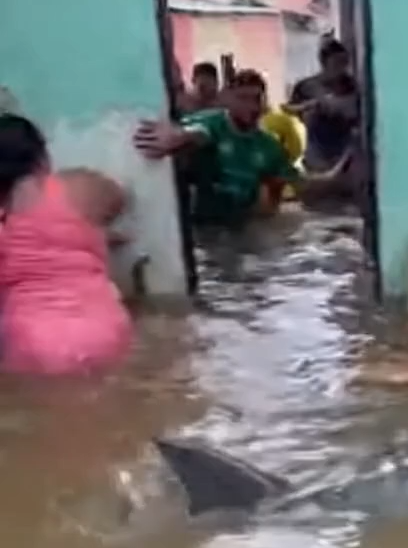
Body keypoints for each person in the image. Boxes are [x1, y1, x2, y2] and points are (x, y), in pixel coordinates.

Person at [0, 114, 133, 375]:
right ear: (42, 157)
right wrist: (92, 233)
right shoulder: (77, 187)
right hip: (104, 329)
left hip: (30, 340)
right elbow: (118, 198)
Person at [133, 68, 348, 225]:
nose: (250, 106)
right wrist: (175, 137)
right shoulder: (211, 122)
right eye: (242, 98)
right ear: (227, 99)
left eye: (256, 98)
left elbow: (301, 184)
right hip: (201, 228)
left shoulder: (269, 146)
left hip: (242, 227)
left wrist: (336, 178)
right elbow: (196, 134)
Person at [286, 39, 359, 173]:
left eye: (344, 62)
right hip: (315, 152)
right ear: (324, 62)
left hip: (344, 153)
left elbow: (356, 113)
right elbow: (291, 115)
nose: (341, 68)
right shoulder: (306, 87)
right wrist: (309, 110)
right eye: (336, 62)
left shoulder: (351, 86)